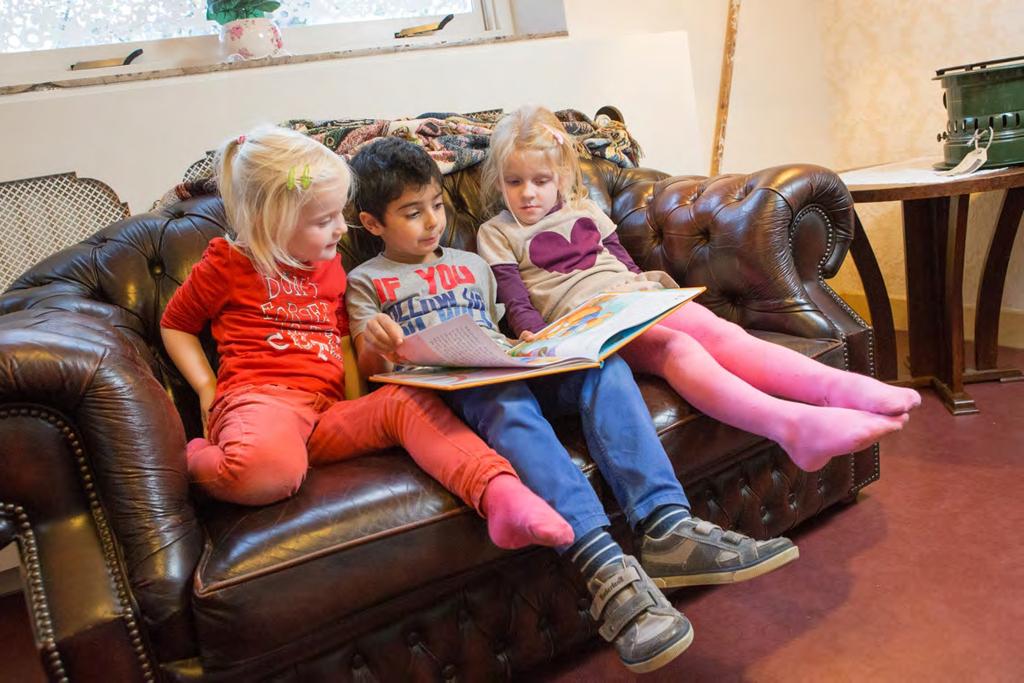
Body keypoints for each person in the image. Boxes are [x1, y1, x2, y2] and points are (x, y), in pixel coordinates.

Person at [345, 137, 799, 674]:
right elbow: (369, 373)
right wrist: (375, 340)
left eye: (437, 206)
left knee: (602, 365)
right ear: (373, 224)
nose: (431, 222)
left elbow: (503, 329)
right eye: (411, 213)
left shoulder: (472, 264)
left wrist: (542, 347)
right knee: (501, 398)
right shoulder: (366, 281)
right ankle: (604, 568)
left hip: (499, 365)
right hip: (451, 394)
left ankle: (665, 524)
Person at [159, 124, 574, 553]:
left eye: (340, 214)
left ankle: (502, 496)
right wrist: (207, 387)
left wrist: (363, 402)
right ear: (272, 222)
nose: (341, 229)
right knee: (271, 472)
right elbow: (176, 323)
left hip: (326, 413)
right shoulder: (228, 263)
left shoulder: (330, 266)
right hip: (261, 401)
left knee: (408, 403)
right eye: (324, 221)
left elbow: (342, 345)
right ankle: (192, 460)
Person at [477, 106, 922, 474]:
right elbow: (516, 300)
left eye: (540, 180)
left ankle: (841, 389)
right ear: (499, 182)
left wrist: (646, 291)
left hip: (634, 298)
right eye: (515, 183)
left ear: (560, 176)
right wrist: (535, 337)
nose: (529, 194)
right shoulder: (497, 232)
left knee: (719, 334)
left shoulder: (586, 209)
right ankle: (794, 426)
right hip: (588, 326)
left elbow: (623, 263)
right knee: (678, 350)